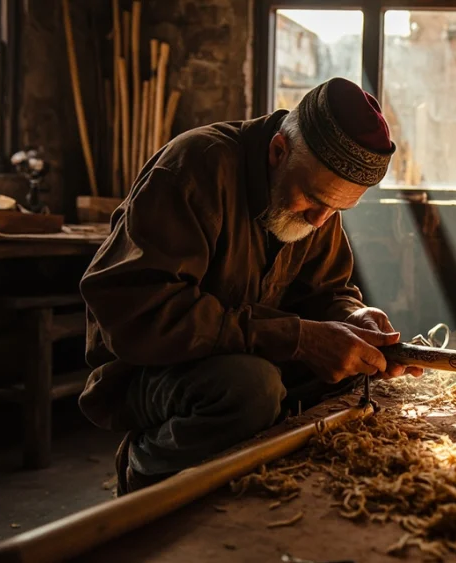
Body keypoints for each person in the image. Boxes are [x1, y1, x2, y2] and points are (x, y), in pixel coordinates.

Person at [78, 77, 422, 496]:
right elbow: (138, 314)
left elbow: (327, 291)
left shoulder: (318, 205)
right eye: (313, 199)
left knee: (353, 372)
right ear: (279, 151)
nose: (319, 221)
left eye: (337, 209)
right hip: (150, 367)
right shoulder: (194, 167)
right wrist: (297, 339)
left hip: (246, 354)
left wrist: (352, 317)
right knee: (251, 390)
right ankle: (146, 471)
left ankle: (247, 468)